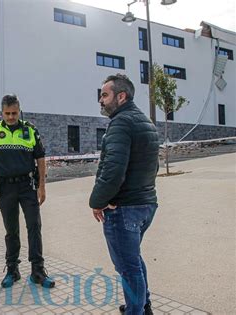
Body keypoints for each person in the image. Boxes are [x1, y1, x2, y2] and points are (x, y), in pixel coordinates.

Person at [89, 74, 159, 315]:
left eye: (105, 95)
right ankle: (141, 305)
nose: (100, 99)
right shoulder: (144, 121)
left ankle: (136, 310)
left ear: (121, 96)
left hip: (124, 209)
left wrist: (97, 201)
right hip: (146, 205)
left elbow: (113, 171)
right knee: (134, 262)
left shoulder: (121, 123)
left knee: (129, 268)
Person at [0, 94, 55, 289]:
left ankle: (37, 271)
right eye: (7, 113)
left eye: (14, 113)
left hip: (27, 186)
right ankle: (12, 270)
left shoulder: (30, 130)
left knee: (34, 227)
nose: (11, 117)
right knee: (11, 230)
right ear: (2, 112)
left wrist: (42, 187)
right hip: (6, 188)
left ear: (19, 111)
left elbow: (40, 159)